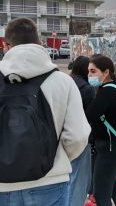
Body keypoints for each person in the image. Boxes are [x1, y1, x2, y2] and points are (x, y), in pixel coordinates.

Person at [0, 18, 90, 205]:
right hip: (50, 183)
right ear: (40, 43)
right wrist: (55, 158)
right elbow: (78, 137)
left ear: (6, 45)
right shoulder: (63, 81)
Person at [86, 54, 116, 206]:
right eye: (88, 72)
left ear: (105, 72)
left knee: (100, 193)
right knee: (113, 187)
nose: (89, 75)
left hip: (110, 149)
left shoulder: (106, 91)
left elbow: (89, 116)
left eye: (93, 71)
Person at [69, 56, 96, 206]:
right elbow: (92, 116)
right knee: (79, 178)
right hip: (81, 138)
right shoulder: (87, 89)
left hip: (62, 137)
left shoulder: (65, 82)